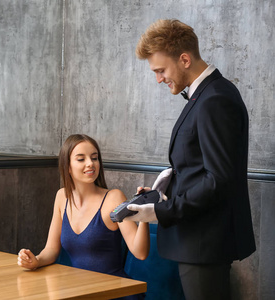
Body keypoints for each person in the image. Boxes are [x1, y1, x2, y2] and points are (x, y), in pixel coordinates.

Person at [126, 19, 256, 300]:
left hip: (205, 245)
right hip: (199, 242)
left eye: (161, 70)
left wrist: (161, 212)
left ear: (184, 59)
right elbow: (199, 169)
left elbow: (219, 180)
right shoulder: (206, 96)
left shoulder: (214, 99)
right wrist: (161, 194)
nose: (159, 79)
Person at [18, 134, 149, 300]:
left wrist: (144, 216)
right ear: (68, 166)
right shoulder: (61, 197)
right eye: (81, 159)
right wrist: (36, 261)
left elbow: (140, 253)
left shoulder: (113, 198)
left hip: (115, 293)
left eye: (94, 158)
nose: (90, 163)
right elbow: (51, 249)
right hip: (80, 292)